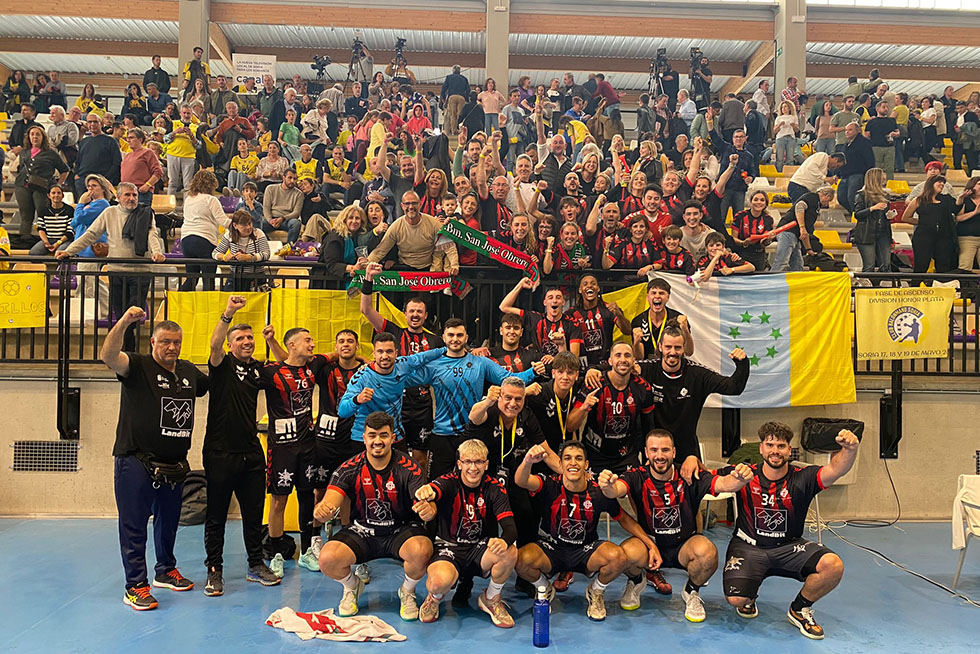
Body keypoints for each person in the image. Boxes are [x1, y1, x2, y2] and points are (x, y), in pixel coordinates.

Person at [100, 310, 208, 610]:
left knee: (169, 521)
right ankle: (135, 585)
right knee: (134, 525)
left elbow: (215, 383)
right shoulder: (137, 366)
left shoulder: (187, 371)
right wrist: (124, 322)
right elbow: (108, 356)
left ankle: (165, 570)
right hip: (136, 460)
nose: (171, 347)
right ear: (152, 342)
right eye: (165, 342)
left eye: (176, 342)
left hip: (174, 462)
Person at [598, 430, 754, 620]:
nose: (659, 455)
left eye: (665, 450)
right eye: (654, 450)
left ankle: (691, 591)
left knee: (707, 553)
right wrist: (607, 485)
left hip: (684, 546)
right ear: (646, 453)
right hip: (650, 545)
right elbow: (615, 490)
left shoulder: (689, 475)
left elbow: (723, 483)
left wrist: (740, 479)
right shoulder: (637, 476)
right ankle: (636, 581)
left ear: (673, 452)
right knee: (626, 553)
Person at [722, 422, 859, 640]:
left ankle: (799, 609)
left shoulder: (803, 476)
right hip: (749, 547)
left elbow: (836, 469)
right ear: (761, 448)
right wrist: (692, 461)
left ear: (789, 450)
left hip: (789, 547)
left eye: (781, 446)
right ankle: (750, 592)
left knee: (833, 566)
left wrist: (850, 449)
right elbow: (707, 478)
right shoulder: (743, 474)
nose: (775, 451)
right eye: (770, 445)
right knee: (737, 600)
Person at [314, 411, 434, 621]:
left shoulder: (410, 468)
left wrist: (428, 510)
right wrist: (322, 511)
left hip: (400, 531)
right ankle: (352, 586)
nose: (377, 441)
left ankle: (407, 591)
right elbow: (328, 502)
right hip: (363, 531)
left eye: (383, 435)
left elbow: (424, 502)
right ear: (364, 438)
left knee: (422, 550)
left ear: (393, 438)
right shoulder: (349, 468)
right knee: (327, 558)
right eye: (372, 435)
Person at [514, 441, 648, 621]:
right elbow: (521, 481)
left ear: (586, 464)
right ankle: (543, 588)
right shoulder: (549, 484)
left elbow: (624, 519)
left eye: (578, 459)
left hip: (586, 551)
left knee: (618, 557)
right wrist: (528, 461)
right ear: (560, 463)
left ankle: (596, 591)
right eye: (567, 458)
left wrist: (650, 544)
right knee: (520, 559)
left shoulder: (599, 492)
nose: (573, 463)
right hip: (552, 549)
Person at [202, 297, 281, 596]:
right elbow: (214, 345)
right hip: (220, 452)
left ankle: (255, 564)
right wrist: (228, 313)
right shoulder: (222, 365)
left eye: (249, 337)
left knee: (253, 513)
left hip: (250, 453)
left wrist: (271, 341)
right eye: (240, 338)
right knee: (216, 515)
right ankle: (214, 570)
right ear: (230, 344)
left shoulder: (257, 369)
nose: (247, 342)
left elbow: (285, 365)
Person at [410, 319, 541, 480]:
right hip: (443, 435)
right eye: (451, 335)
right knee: (437, 484)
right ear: (443, 337)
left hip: (473, 432)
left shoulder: (481, 363)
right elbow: (402, 378)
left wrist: (533, 372)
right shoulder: (433, 365)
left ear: (466, 337)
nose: (455, 339)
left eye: (459, 335)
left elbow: (508, 379)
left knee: (474, 482)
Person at [414, 438, 518, 627]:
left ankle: (491, 598)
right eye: (468, 461)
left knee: (510, 551)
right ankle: (434, 598)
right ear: (459, 464)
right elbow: (434, 489)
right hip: (449, 547)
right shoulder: (449, 481)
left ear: (486, 464)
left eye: (478, 462)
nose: (473, 467)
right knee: (437, 583)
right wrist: (426, 492)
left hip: (479, 549)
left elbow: (510, 528)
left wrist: (503, 541)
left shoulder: (495, 487)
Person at [57, 183, 166, 351]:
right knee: (122, 315)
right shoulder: (109, 212)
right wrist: (69, 251)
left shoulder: (145, 212)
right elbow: (91, 234)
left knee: (133, 314)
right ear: (119, 197)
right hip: (116, 271)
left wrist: (157, 252)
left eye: (134, 195)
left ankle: (125, 353)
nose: (131, 198)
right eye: (127, 195)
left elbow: (152, 234)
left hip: (141, 271)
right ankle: (126, 353)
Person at [359, 263, 444, 470]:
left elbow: (456, 354)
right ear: (405, 313)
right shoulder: (394, 333)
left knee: (420, 459)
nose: (415, 315)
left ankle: (417, 489)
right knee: (394, 456)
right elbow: (366, 309)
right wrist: (368, 279)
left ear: (425, 316)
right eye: (411, 311)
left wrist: (477, 351)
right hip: (395, 403)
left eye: (419, 312)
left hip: (422, 406)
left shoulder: (436, 341)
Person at [566, 342, 655, 475]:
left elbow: (649, 426)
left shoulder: (643, 388)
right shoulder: (594, 384)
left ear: (634, 361)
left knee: (636, 486)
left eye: (627, 355)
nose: (623, 359)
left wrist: (650, 456)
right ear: (610, 361)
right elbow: (570, 426)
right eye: (618, 355)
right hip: (595, 454)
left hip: (626, 455)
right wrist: (584, 408)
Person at [367, 191, 459, 272]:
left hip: (428, 270)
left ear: (420, 204)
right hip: (405, 269)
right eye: (407, 204)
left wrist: (454, 265)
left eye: (414, 203)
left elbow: (449, 246)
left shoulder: (433, 223)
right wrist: (366, 264)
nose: (411, 207)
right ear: (402, 206)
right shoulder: (396, 226)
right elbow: (380, 251)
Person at [500, 278, 584, 359]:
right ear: (544, 302)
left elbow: (574, 358)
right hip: (538, 365)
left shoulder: (572, 323)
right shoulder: (535, 318)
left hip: (561, 367)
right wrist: (520, 285)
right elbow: (504, 307)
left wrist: (555, 358)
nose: (554, 301)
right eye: (550, 297)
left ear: (563, 302)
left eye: (558, 297)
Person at [14, 126, 69, 243]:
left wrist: (58, 185)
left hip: (42, 188)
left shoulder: (51, 153)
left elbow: (65, 170)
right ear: (28, 137)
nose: (35, 137)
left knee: (42, 215)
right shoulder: (24, 152)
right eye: (32, 134)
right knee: (25, 216)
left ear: (43, 137)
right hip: (22, 186)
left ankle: (46, 241)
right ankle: (24, 242)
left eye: (37, 134)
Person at [179, 170, 228, 291]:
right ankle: (208, 303)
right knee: (208, 279)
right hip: (204, 240)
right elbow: (224, 221)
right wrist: (240, 224)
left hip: (186, 240)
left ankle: (175, 300)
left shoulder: (189, 199)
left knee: (191, 278)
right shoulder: (211, 199)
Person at [566, 274, 630, 367]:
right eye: (585, 284)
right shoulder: (571, 314)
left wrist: (619, 314)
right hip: (582, 366)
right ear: (580, 290)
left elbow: (627, 331)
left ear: (598, 289)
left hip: (605, 366)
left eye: (593, 283)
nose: (589, 286)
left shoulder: (608, 309)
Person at [901, 174, 958, 274]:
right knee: (921, 265)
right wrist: (923, 222)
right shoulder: (919, 200)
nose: (942, 184)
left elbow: (958, 208)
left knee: (943, 266)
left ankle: (940, 283)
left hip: (943, 237)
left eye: (943, 182)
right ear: (931, 183)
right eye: (939, 182)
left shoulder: (946, 199)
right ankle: (917, 283)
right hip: (924, 236)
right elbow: (905, 217)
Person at [771, 186, 835, 272]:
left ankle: (796, 279)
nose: (827, 204)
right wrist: (802, 227)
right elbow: (799, 206)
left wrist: (809, 249)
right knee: (782, 261)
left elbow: (805, 233)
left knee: (797, 264)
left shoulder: (815, 206)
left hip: (795, 234)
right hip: (788, 230)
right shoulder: (813, 197)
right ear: (827, 196)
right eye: (829, 201)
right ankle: (771, 279)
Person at [630, 278, 693, 359]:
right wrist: (636, 343)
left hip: (673, 363)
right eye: (653, 293)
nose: (657, 296)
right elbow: (639, 358)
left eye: (661, 293)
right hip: (648, 364)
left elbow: (689, 352)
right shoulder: (638, 321)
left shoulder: (678, 319)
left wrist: (685, 330)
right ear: (647, 297)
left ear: (668, 297)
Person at [211, 210, 271, 291]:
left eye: (249, 223)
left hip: (256, 277)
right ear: (235, 225)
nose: (248, 227)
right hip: (235, 277)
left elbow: (266, 254)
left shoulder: (258, 233)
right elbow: (215, 253)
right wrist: (224, 257)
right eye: (244, 225)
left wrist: (249, 257)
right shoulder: (229, 235)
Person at [851, 168, 894, 273]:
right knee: (869, 266)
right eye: (882, 179)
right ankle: (868, 282)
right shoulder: (861, 195)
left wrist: (890, 215)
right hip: (866, 233)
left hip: (883, 232)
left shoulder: (885, 195)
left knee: (886, 265)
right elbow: (858, 214)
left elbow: (885, 214)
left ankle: (882, 282)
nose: (884, 181)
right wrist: (872, 208)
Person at [74, 112, 122, 198]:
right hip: (82, 181)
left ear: (101, 124)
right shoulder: (83, 142)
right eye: (89, 122)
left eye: (95, 122)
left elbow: (117, 162)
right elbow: (78, 161)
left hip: (101, 181)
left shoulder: (111, 141)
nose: (92, 124)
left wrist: (105, 178)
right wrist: (77, 175)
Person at [730, 190, 774, 271]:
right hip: (741, 253)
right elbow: (733, 238)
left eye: (762, 200)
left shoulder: (768, 219)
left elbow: (763, 243)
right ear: (750, 202)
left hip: (758, 254)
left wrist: (768, 240)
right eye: (756, 199)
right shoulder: (740, 216)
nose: (759, 202)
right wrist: (743, 243)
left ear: (766, 204)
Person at [836, 122, 875, 213]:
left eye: (850, 130)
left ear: (858, 131)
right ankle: (854, 213)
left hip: (857, 174)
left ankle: (858, 215)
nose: (847, 132)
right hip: (844, 175)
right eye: (846, 130)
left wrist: (868, 176)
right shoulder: (847, 144)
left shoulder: (864, 143)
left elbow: (870, 159)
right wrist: (837, 173)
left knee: (852, 197)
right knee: (841, 197)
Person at [121, 130, 164, 206]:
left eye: (131, 138)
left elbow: (158, 172)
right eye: (127, 138)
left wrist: (147, 185)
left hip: (141, 193)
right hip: (126, 193)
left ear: (140, 140)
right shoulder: (127, 156)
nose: (128, 140)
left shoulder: (148, 152)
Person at [29, 184, 74, 256]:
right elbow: (41, 229)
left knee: (60, 253)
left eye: (59, 193)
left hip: (64, 241)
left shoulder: (70, 210)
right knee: (33, 253)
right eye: (53, 193)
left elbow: (70, 231)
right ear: (49, 195)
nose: (56, 195)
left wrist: (58, 243)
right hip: (48, 239)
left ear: (62, 196)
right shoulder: (43, 210)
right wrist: (46, 242)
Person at [262, 169, 304, 242]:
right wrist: (270, 220)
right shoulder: (270, 188)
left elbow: (296, 213)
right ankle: (268, 244)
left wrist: (282, 218)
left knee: (296, 223)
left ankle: (289, 247)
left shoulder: (299, 194)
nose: (292, 181)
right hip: (272, 219)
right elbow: (266, 208)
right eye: (290, 178)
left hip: (287, 220)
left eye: (295, 179)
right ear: (283, 178)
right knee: (258, 223)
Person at [866, 101, 900, 177]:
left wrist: (895, 134)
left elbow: (898, 132)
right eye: (884, 107)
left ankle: (889, 182)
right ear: (878, 109)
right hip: (876, 147)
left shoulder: (892, 120)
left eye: (887, 107)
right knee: (876, 168)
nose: (886, 109)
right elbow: (867, 135)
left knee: (890, 168)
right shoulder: (872, 122)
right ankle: (875, 182)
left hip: (890, 147)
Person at [956, 177, 980, 271]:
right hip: (967, 238)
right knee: (965, 266)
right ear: (972, 186)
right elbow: (958, 218)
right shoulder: (965, 200)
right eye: (979, 184)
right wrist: (974, 213)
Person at [772, 101, 799, 173]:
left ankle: (789, 173)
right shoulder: (778, 118)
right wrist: (779, 125)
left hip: (790, 138)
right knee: (779, 158)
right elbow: (774, 131)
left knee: (790, 158)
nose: (783, 109)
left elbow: (797, 130)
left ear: (789, 108)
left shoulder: (794, 117)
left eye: (785, 107)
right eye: (782, 107)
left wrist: (794, 126)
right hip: (780, 138)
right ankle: (779, 173)